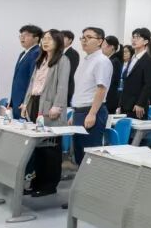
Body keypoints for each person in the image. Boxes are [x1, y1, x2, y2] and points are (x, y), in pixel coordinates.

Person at [22, 29, 69, 196]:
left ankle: (49, 185)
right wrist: (25, 103)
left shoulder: (63, 60)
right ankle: (37, 182)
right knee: (38, 147)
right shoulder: (41, 59)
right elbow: (32, 84)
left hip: (50, 107)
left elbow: (62, 85)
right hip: (35, 103)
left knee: (50, 147)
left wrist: (58, 106)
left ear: (58, 41)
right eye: (44, 39)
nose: (45, 41)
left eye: (49, 39)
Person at [69, 27, 111, 164]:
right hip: (80, 112)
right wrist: (74, 113)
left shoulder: (102, 61)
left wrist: (92, 114)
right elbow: (82, 89)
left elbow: (101, 89)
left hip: (92, 111)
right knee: (79, 154)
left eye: (88, 37)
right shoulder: (85, 60)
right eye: (82, 37)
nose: (84, 40)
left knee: (89, 156)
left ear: (100, 41)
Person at [122, 28, 151, 119]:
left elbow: (149, 84)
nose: (134, 40)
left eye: (138, 37)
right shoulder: (132, 59)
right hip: (125, 104)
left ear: (146, 41)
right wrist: (120, 104)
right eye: (133, 37)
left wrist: (140, 103)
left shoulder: (150, 60)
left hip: (137, 106)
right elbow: (127, 83)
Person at [9, 24, 42, 118]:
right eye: (21, 35)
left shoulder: (36, 53)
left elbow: (33, 79)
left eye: (26, 35)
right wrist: (11, 101)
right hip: (17, 99)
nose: (22, 38)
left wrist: (26, 101)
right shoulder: (23, 53)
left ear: (36, 38)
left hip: (24, 101)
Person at [102, 36, 122, 114]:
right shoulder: (109, 60)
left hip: (110, 98)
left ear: (112, 47)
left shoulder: (115, 61)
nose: (102, 47)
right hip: (106, 97)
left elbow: (111, 82)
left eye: (104, 44)